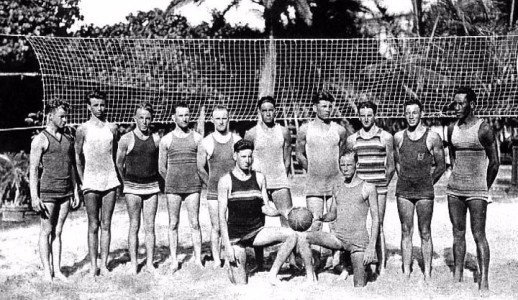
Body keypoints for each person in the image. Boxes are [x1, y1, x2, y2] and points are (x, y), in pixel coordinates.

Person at [218, 139, 298, 285]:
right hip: (236, 237)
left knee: (291, 235)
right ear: (235, 156)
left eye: (250, 156)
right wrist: (227, 247)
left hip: (256, 232)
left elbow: (265, 207)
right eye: (243, 157)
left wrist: (283, 212)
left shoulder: (259, 178)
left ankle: (273, 274)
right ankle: (233, 267)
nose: (247, 160)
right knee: (240, 283)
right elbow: (222, 217)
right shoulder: (225, 181)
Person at [298, 150, 379, 287]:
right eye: (342, 165)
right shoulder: (337, 187)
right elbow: (333, 214)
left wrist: (371, 246)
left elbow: (376, 219)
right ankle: (310, 275)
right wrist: (320, 218)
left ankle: (359, 266)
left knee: (359, 284)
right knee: (303, 237)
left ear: (357, 165)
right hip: (339, 239)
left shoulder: (368, 187)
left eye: (349, 164)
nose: (345, 168)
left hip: (358, 242)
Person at [446, 87, 499, 291]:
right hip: (454, 189)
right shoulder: (452, 128)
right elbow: (452, 154)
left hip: (477, 190)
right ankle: (457, 275)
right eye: (455, 103)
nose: (457, 107)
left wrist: (483, 187)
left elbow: (495, 162)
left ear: (472, 105)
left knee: (479, 234)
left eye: (461, 103)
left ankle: (483, 280)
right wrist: (457, 174)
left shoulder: (483, 128)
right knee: (458, 233)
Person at [394, 99, 446, 281]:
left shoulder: (432, 137)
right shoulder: (399, 137)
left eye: (414, 112)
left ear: (421, 114)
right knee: (406, 230)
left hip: (425, 192)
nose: (411, 116)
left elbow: (441, 165)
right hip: (404, 191)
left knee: (425, 231)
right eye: (407, 112)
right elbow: (397, 163)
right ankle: (406, 271)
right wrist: (406, 180)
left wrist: (427, 182)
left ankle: (427, 273)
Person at [29, 99, 80, 282]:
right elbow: (33, 170)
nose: (65, 120)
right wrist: (35, 197)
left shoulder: (68, 139)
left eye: (66, 116)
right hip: (48, 192)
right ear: (50, 116)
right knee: (46, 230)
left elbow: (72, 166)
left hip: (65, 191)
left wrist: (75, 190)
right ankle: (46, 272)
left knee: (58, 231)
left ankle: (57, 270)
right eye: (62, 117)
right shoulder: (40, 140)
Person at [244, 96, 295, 268]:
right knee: (258, 223)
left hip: (279, 180)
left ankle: (291, 260)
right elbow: (247, 157)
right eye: (264, 110)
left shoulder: (283, 131)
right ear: (259, 112)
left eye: (271, 110)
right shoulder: (251, 133)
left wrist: (282, 175)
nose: (268, 113)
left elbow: (287, 156)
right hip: (259, 183)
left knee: (287, 218)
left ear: (275, 111)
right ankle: (260, 262)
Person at [296, 91, 347, 259]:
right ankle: (315, 259)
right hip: (314, 183)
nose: (327, 109)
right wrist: (311, 170)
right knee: (315, 223)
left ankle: (337, 259)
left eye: (330, 106)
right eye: (323, 106)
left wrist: (338, 173)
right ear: (314, 107)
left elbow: (343, 154)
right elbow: (299, 154)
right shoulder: (305, 129)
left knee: (335, 223)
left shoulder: (339, 130)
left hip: (335, 183)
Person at [75, 90, 121, 276]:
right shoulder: (82, 129)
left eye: (102, 104)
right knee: (93, 225)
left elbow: (115, 153)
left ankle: (104, 265)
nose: (100, 108)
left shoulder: (112, 128)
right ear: (89, 107)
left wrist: (118, 177)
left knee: (106, 224)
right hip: (91, 180)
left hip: (110, 179)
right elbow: (77, 156)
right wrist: (82, 180)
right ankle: (93, 266)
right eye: (95, 105)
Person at [346, 100, 395, 274]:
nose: (366, 119)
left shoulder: (385, 137)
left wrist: (382, 184)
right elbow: (350, 164)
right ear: (359, 117)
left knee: (378, 224)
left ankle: (380, 265)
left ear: (375, 115)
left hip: (379, 188)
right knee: (357, 225)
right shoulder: (352, 139)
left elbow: (391, 166)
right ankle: (354, 262)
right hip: (360, 189)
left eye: (369, 115)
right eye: (363, 116)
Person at [116, 103, 161, 275]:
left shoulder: (156, 139)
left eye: (148, 118)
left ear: (152, 119)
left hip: (151, 187)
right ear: (134, 118)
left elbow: (158, 163)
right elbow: (119, 164)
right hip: (132, 188)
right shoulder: (126, 138)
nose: (144, 121)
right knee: (134, 225)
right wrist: (125, 183)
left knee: (150, 227)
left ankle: (149, 263)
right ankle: (134, 263)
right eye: (141, 118)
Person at [159, 102, 203, 272]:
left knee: (195, 223)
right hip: (173, 187)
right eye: (181, 115)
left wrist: (193, 180)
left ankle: (198, 258)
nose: (185, 118)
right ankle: (174, 260)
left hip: (193, 186)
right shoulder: (166, 140)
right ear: (174, 118)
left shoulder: (197, 138)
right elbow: (162, 168)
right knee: (173, 223)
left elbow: (200, 165)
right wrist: (172, 181)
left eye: (187, 115)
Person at [197, 105, 241, 268]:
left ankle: (232, 255)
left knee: (232, 225)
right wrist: (211, 184)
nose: (221, 122)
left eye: (224, 118)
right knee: (216, 226)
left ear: (228, 119)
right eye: (218, 118)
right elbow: (200, 167)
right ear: (212, 120)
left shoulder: (236, 140)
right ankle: (217, 259)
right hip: (214, 192)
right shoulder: (207, 141)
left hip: (234, 191)